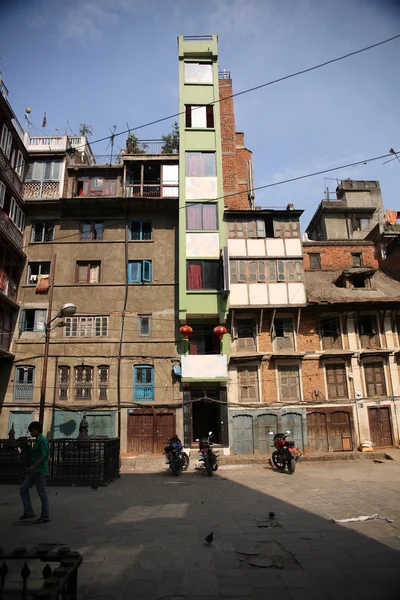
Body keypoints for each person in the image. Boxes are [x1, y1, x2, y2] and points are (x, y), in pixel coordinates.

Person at [19, 421, 50, 524]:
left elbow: (44, 455)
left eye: (32, 431)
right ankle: (28, 511)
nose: (31, 433)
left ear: (37, 430)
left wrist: (33, 466)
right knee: (23, 488)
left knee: (42, 493)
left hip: (40, 471)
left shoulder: (42, 440)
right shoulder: (37, 440)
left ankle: (45, 516)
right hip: (34, 471)